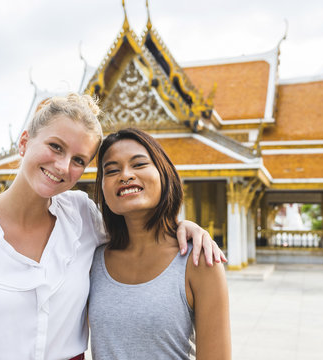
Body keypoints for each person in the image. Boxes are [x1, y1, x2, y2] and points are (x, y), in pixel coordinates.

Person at [0, 94, 225, 360]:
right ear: (24, 142)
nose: (62, 166)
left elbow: (137, 221)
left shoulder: (82, 217)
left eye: (79, 160)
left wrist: (186, 227)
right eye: (55, 147)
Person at [89, 128, 231, 359]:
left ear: (164, 174)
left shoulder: (199, 260)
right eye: (112, 170)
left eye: (139, 164)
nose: (125, 175)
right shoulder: (92, 260)